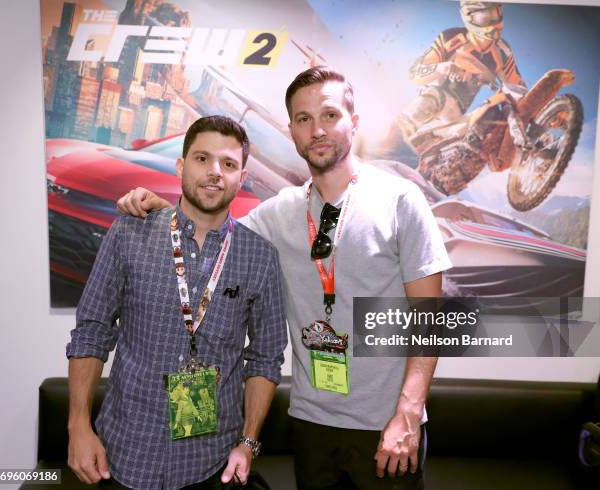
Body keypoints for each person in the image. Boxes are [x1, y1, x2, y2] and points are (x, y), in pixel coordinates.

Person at [118, 66, 452, 489]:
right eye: (303, 119)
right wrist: (158, 207)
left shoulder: (400, 200)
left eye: (330, 115)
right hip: (311, 422)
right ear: (292, 130)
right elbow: (213, 230)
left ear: (354, 121)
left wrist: (408, 412)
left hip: (386, 426)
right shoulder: (279, 212)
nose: (317, 130)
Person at [66, 115, 287, 489]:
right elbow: (92, 332)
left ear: (242, 177)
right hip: (124, 456)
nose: (215, 172)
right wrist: (78, 428)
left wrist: (248, 444)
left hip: (212, 464)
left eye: (229, 164)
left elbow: (266, 358)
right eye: (202, 159)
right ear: (182, 165)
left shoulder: (259, 257)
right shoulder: (129, 232)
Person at [396, 1, 525, 147]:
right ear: (469, 17)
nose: (494, 23)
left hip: (457, 117)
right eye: (485, 16)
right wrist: (441, 68)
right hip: (435, 97)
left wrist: (537, 109)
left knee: (486, 124)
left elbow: (518, 87)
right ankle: (395, 139)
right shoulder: (449, 37)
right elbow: (414, 72)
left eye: (496, 14)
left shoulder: (503, 52)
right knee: (429, 101)